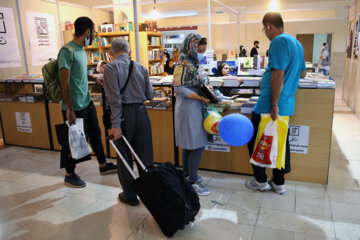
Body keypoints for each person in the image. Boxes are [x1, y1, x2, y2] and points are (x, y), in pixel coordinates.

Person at [245, 12, 306, 195]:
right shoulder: (297, 44)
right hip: (286, 104)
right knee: (279, 143)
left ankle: (260, 181)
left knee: (256, 142)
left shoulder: (278, 41)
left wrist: (273, 104)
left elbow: (278, 73)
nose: (265, 32)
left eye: (264, 29)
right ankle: (279, 183)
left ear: (269, 26)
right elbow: (302, 73)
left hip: (269, 105)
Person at [58, 16, 117, 188]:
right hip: (74, 106)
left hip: (86, 101)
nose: (93, 36)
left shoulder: (81, 50)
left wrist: (93, 78)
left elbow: (79, 73)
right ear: (87, 31)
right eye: (93, 32)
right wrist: (69, 109)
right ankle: (69, 174)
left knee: (95, 133)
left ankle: (103, 165)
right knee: (73, 141)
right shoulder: (67, 51)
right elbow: (65, 81)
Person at [103, 39, 154, 206]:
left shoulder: (110, 67)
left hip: (123, 116)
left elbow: (114, 100)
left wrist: (115, 125)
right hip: (141, 113)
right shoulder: (141, 67)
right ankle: (150, 194)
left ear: (111, 53)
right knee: (145, 155)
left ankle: (130, 195)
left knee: (124, 155)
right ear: (129, 52)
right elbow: (150, 95)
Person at [173, 33, 211, 196]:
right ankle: (193, 181)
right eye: (200, 49)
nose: (202, 52)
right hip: (189, 107)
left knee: (190, 144)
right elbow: (179, 88)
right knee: (196, 144)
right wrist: (200, 97)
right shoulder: (182, 64)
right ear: (192, 46)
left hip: (195, 105)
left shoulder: (192, 62)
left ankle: (188, 177)